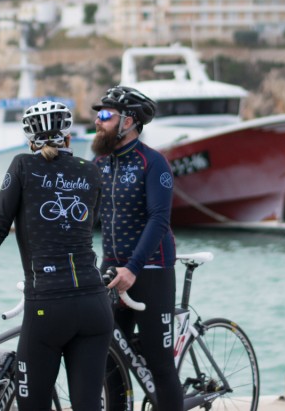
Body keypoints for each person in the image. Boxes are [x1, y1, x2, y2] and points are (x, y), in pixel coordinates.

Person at [0, 100, 111, 411]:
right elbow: (93, 226)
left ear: (30, 139)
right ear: (68, 136)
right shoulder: (91, 171)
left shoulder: (23, 165)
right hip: (95, 302)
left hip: (48, 304)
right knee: (88, 405)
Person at [91, 85, 183, 411]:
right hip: (111, 268)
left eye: (105, 115)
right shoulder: (99, 162)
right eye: (97, 114)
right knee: (108, 359)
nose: (97, 121)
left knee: (160, 363)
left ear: (128, 121)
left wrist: (133, 268)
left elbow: (159, 219)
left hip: (152, 270)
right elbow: (84, 217)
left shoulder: (153, 163)